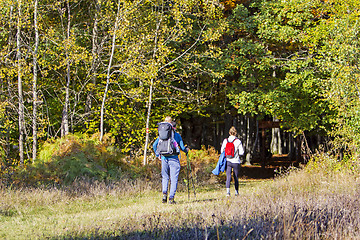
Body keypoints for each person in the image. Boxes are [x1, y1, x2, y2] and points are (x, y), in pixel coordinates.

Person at [153, 116, 189, 204]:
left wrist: (158, 154)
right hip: (174, 158)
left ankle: (164, 194)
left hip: (164, 158)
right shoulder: (176, 135)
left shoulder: (161, 135)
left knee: (165, 177)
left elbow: (154, 145)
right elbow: (182, 147)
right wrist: (186, 150)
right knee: (174, 178)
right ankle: (171, 198)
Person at [220, 126, 244, 197]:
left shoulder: (225, 140)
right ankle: (236, 192)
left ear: (229, 133)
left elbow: (222, 151)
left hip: (228, 161)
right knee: (235, 176)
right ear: (235, 133)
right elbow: (241, 152)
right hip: (236, 161)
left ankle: (228, 192)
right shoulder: (238, 141)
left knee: (228, 176)